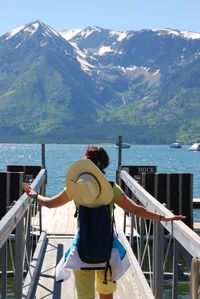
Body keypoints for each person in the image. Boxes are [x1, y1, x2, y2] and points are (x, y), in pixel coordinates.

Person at [22, 145, 185, 299]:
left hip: (82, 251)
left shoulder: (75, 188)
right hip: (108, 252)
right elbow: (136, 210)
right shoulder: (111, 188)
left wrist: (34, 195)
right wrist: (164, 218)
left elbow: (50, 203)